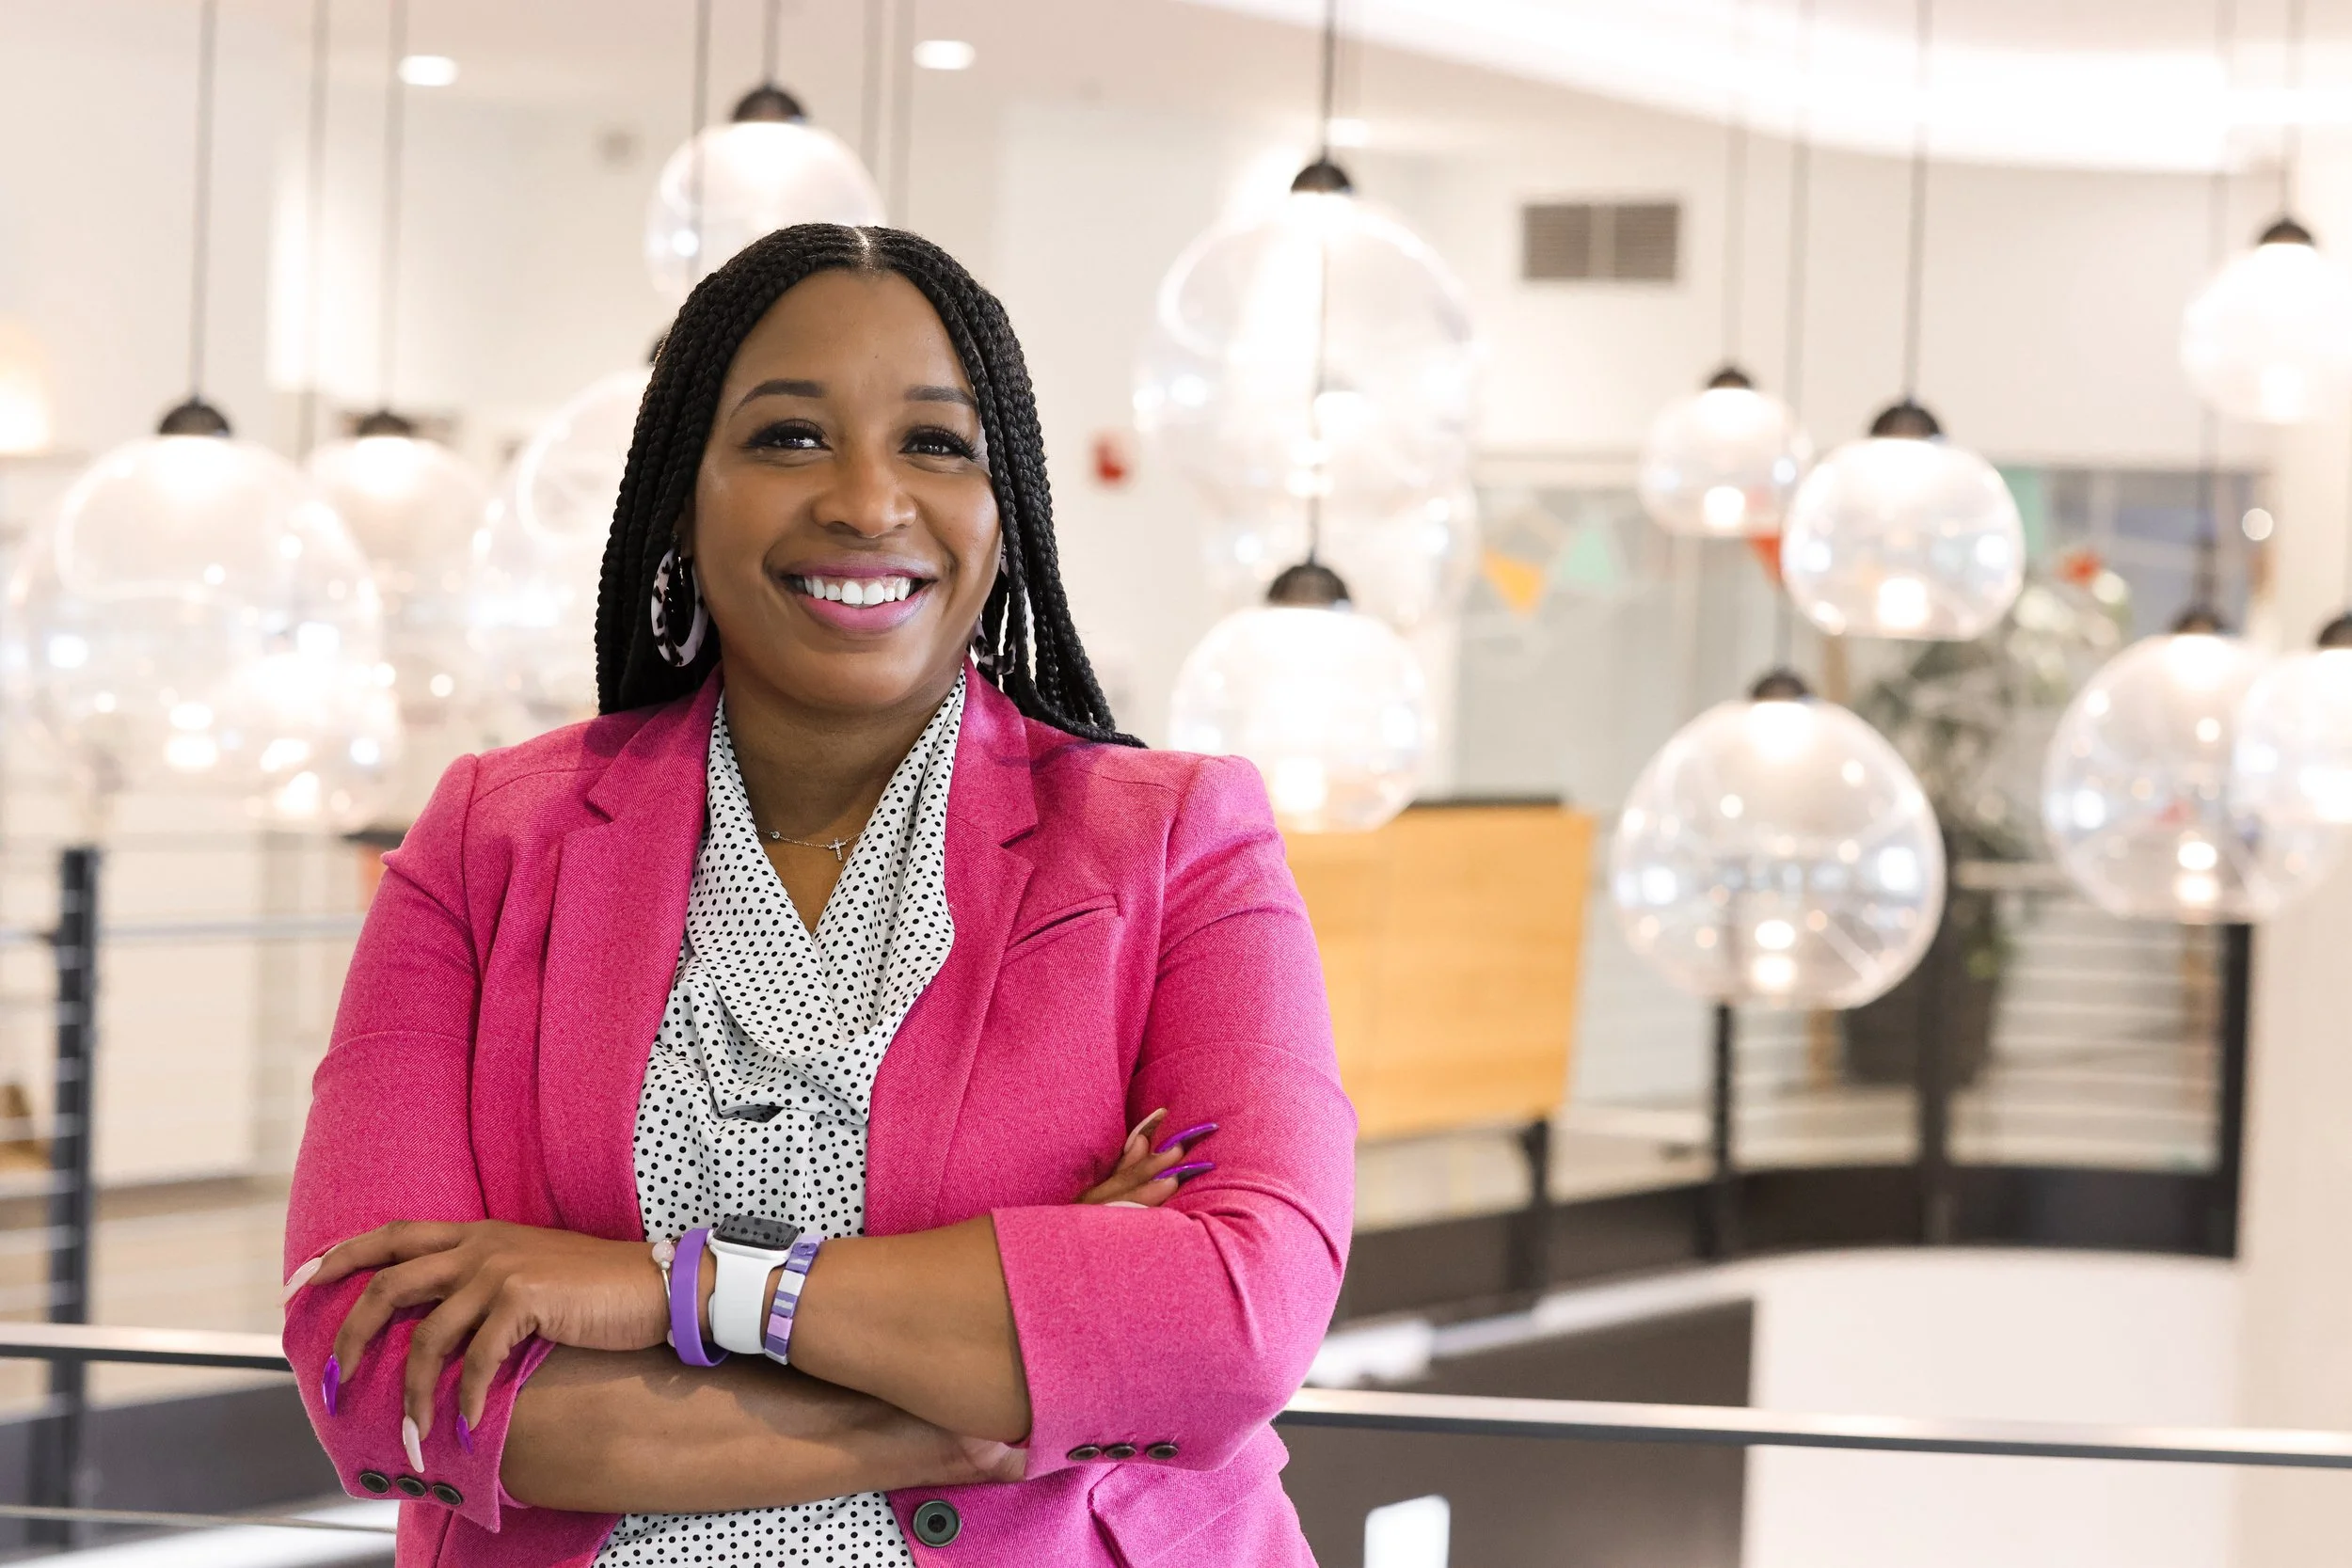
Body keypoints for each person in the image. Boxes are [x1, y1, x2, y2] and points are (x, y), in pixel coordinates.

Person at [280, 224, 1355, 1568]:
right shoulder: (490, 841)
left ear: (1008, 511)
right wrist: (991, 1396)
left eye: (937, 443)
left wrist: (671, 1287)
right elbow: (376, 1367)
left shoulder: (1176, 841)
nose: (866, 500)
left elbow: (1236, 1321)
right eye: (790, 436)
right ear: (682, 496)